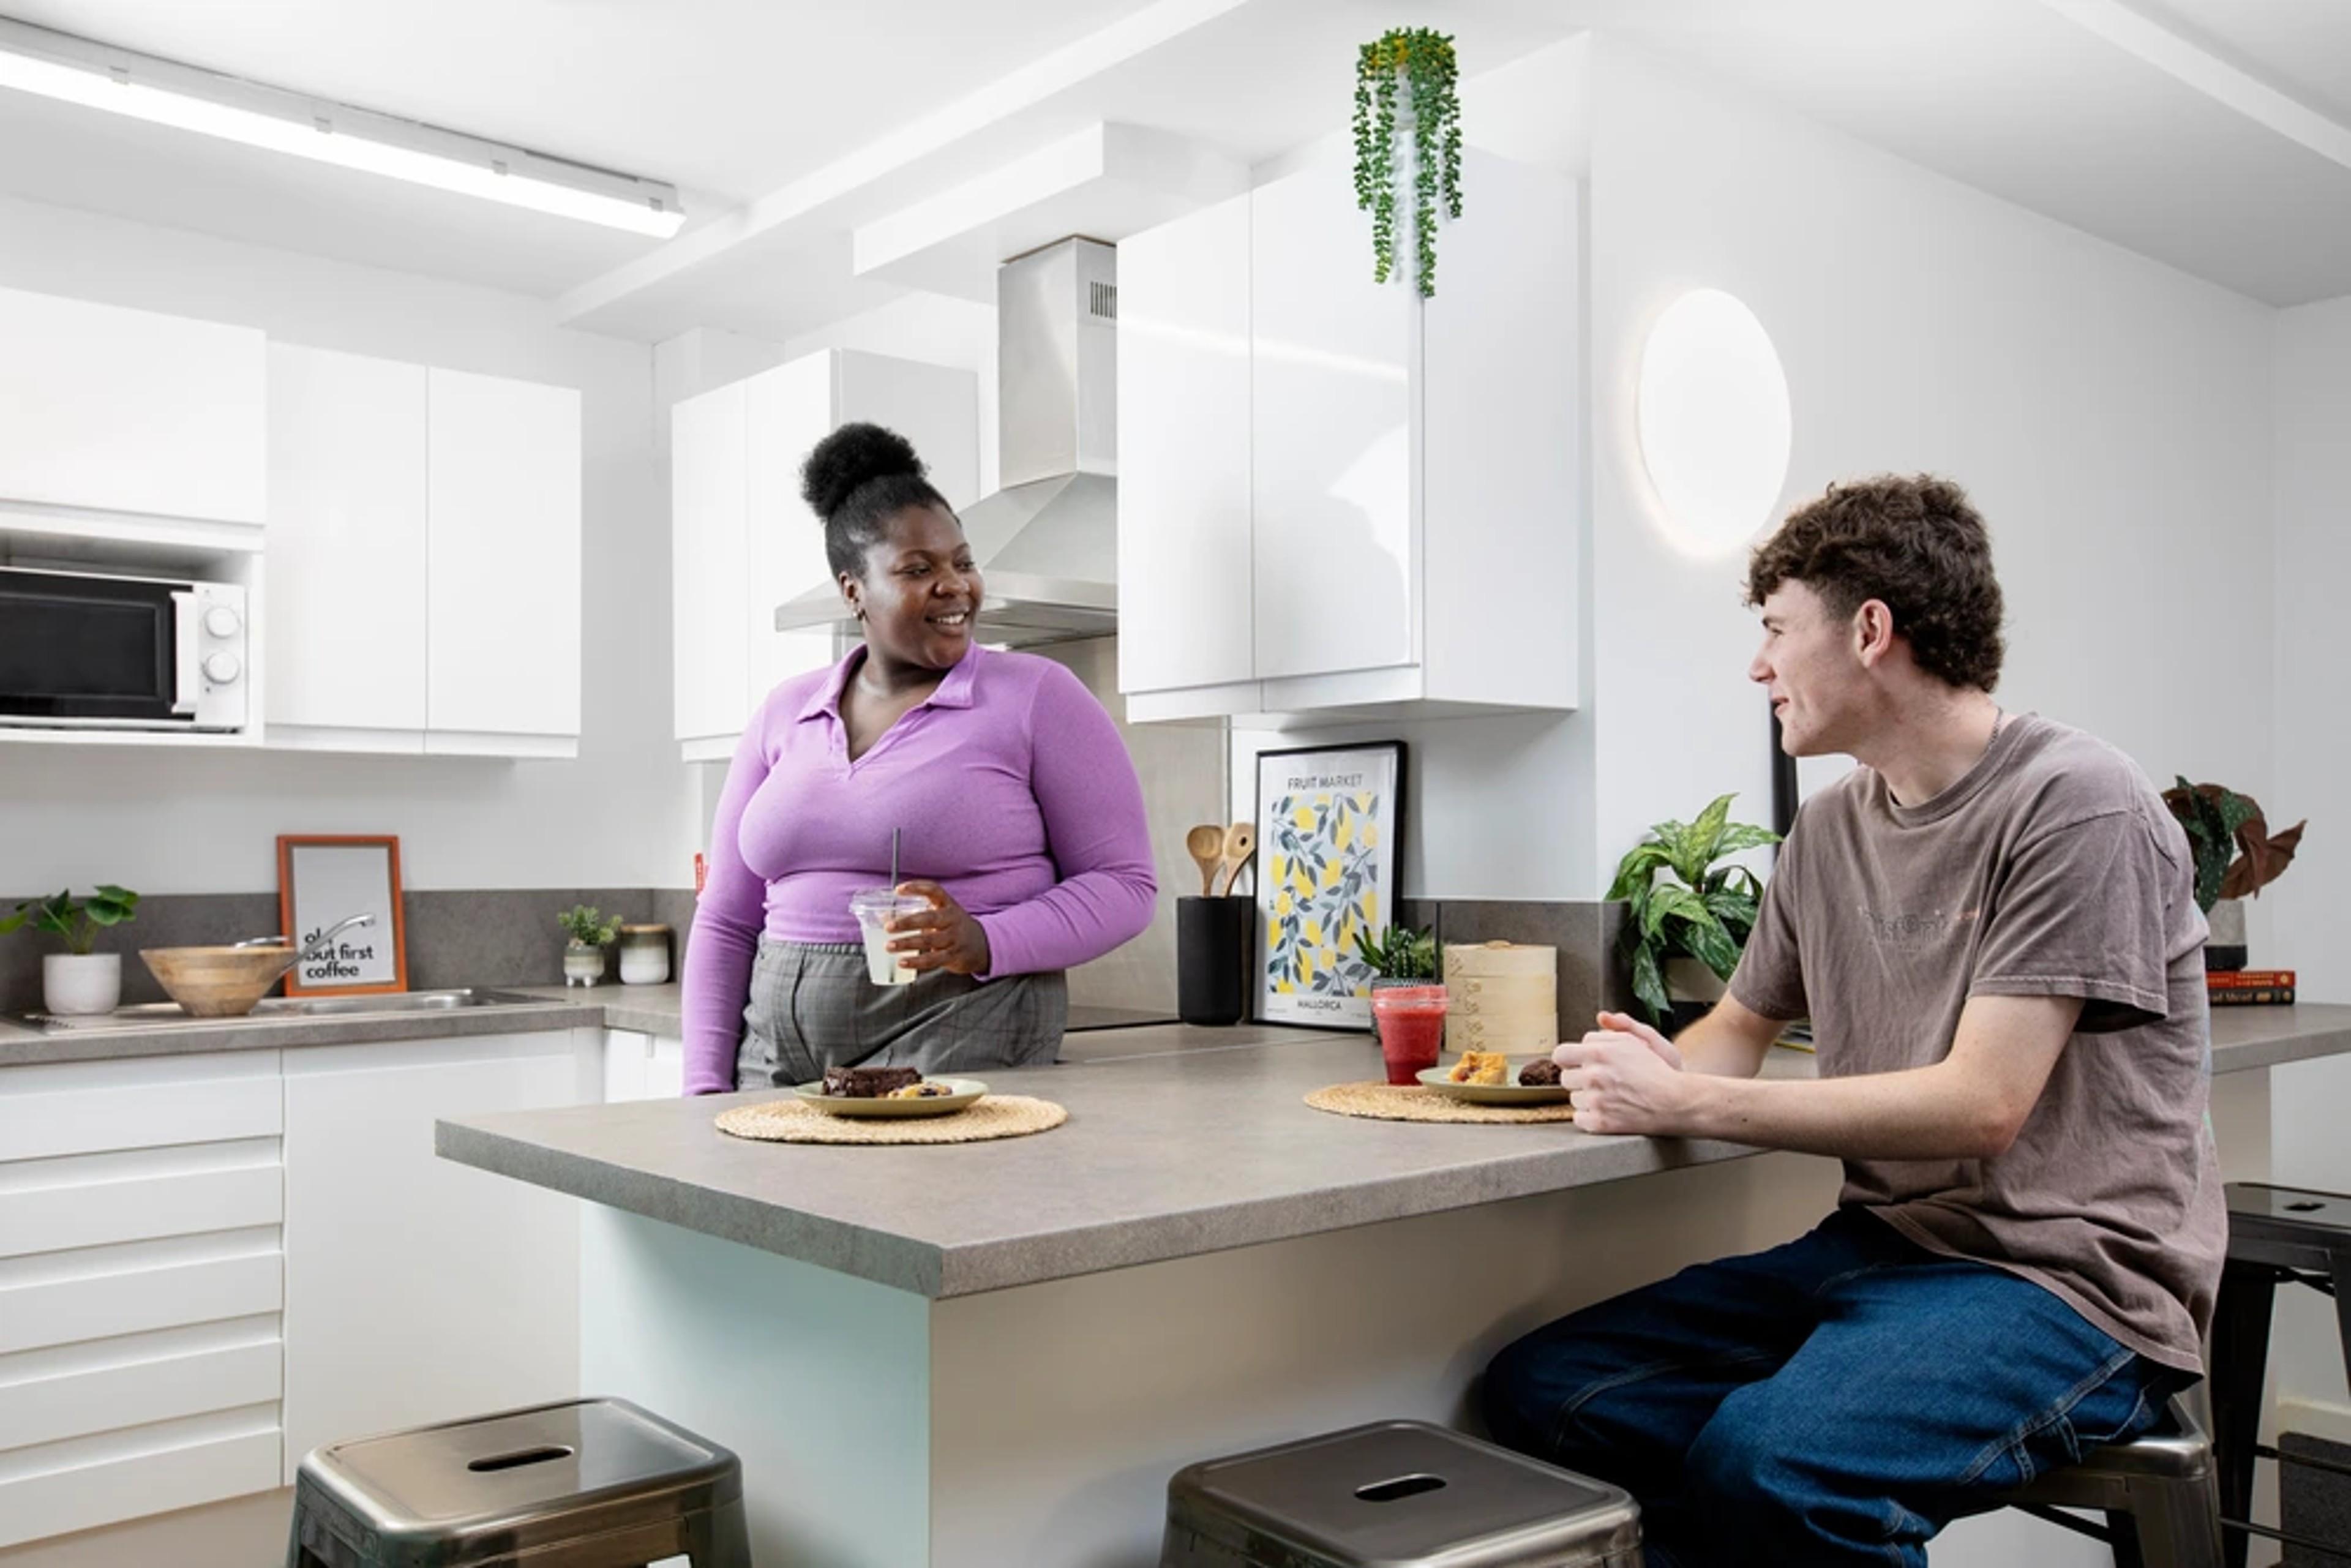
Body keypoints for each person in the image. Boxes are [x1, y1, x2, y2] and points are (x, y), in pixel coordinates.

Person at [1482, 475, 2224, 1567]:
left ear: (1870, 630)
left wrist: (1690, 1098)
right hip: (1886, 1249)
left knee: (1771, 1464)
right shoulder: (1827, 831)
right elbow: (1735, 1028)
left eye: (1777, 629)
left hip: (2074, 1284)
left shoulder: (2080, 801)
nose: (1758, 664)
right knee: (1547, 1392)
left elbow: (1984, 1106)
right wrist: (1622, 1066)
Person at [680, 422, 1156, 1095]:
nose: (955, 586)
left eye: (962, 562)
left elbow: (1125, 885)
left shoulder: (1038, 696)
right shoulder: (785, 711)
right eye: (918, 569)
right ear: (853, 591)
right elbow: (728, 917)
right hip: (773, 1053)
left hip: (958, 1027)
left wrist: (983, 939)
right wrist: (701, 1089)